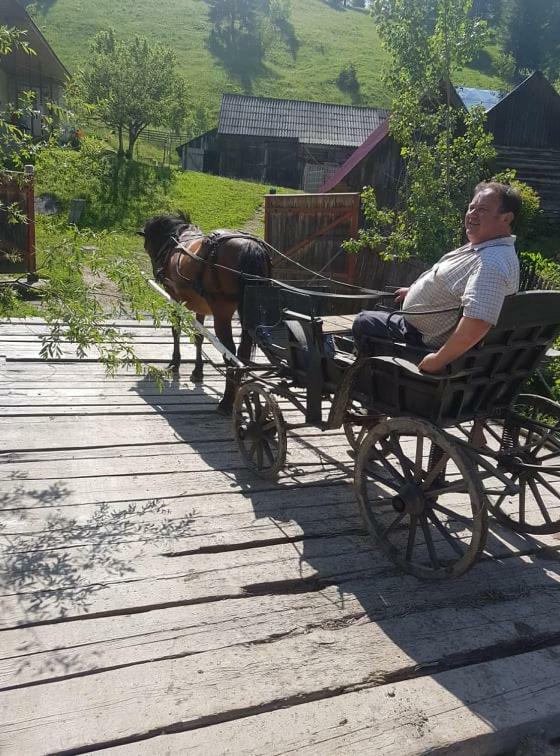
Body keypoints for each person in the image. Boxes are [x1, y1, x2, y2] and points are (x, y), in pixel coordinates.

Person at [352, 181, 521, 373]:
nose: (472, 214)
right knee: (376, 316)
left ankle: (364, 381)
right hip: (421, 332)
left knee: (363, 321)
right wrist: (414, 291)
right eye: (471, 207)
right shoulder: (487, 248)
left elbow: (479, 321)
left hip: (422, 343)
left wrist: (437, 360)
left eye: (482, 209)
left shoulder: (490, 262)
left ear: (506, 219)